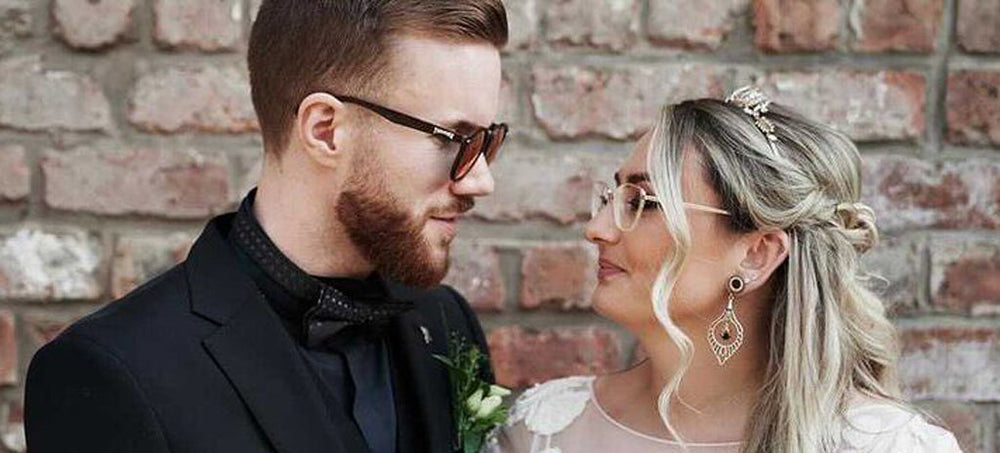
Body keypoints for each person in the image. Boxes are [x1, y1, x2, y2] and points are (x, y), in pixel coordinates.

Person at [24, 2, 508, 452]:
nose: (481, 181)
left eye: (488, 140)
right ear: (325, 130)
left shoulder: (445, 322)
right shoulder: (113, 371)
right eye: (455, 140)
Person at [495, 87, 963, 453]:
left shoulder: (889, 444)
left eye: (644, 203)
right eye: (611, 198)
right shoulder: (545, 428)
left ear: (757, 254)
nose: (597, 229)